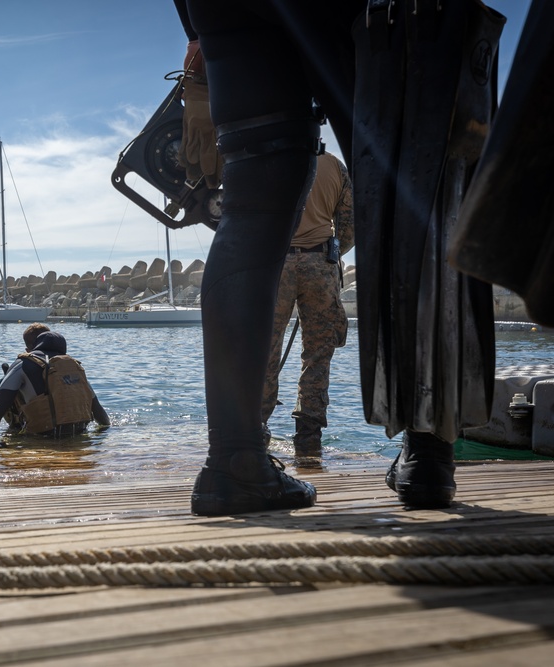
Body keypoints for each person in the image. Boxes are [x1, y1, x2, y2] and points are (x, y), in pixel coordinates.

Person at [174, 0, 501, 516]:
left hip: (223, 11)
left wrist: (196, 50)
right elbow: (354, 218)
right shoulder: (336, 176)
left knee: (252, 202)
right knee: (416, 182)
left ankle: (233, 462)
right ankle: (428, 452)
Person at [261, 151, 354, 465]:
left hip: (276, 262)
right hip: (320, 265)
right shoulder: (335, 167)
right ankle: (308, 440)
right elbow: (349, 225)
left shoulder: (271, 156)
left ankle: (254, 431)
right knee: (317, 354)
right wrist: (328, 251)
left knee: (266, 350)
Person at [0, 324, 110, 440]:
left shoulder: (23, 363)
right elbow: (102, 418)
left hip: (43, 435)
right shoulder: (74, 366)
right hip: (79, 433)